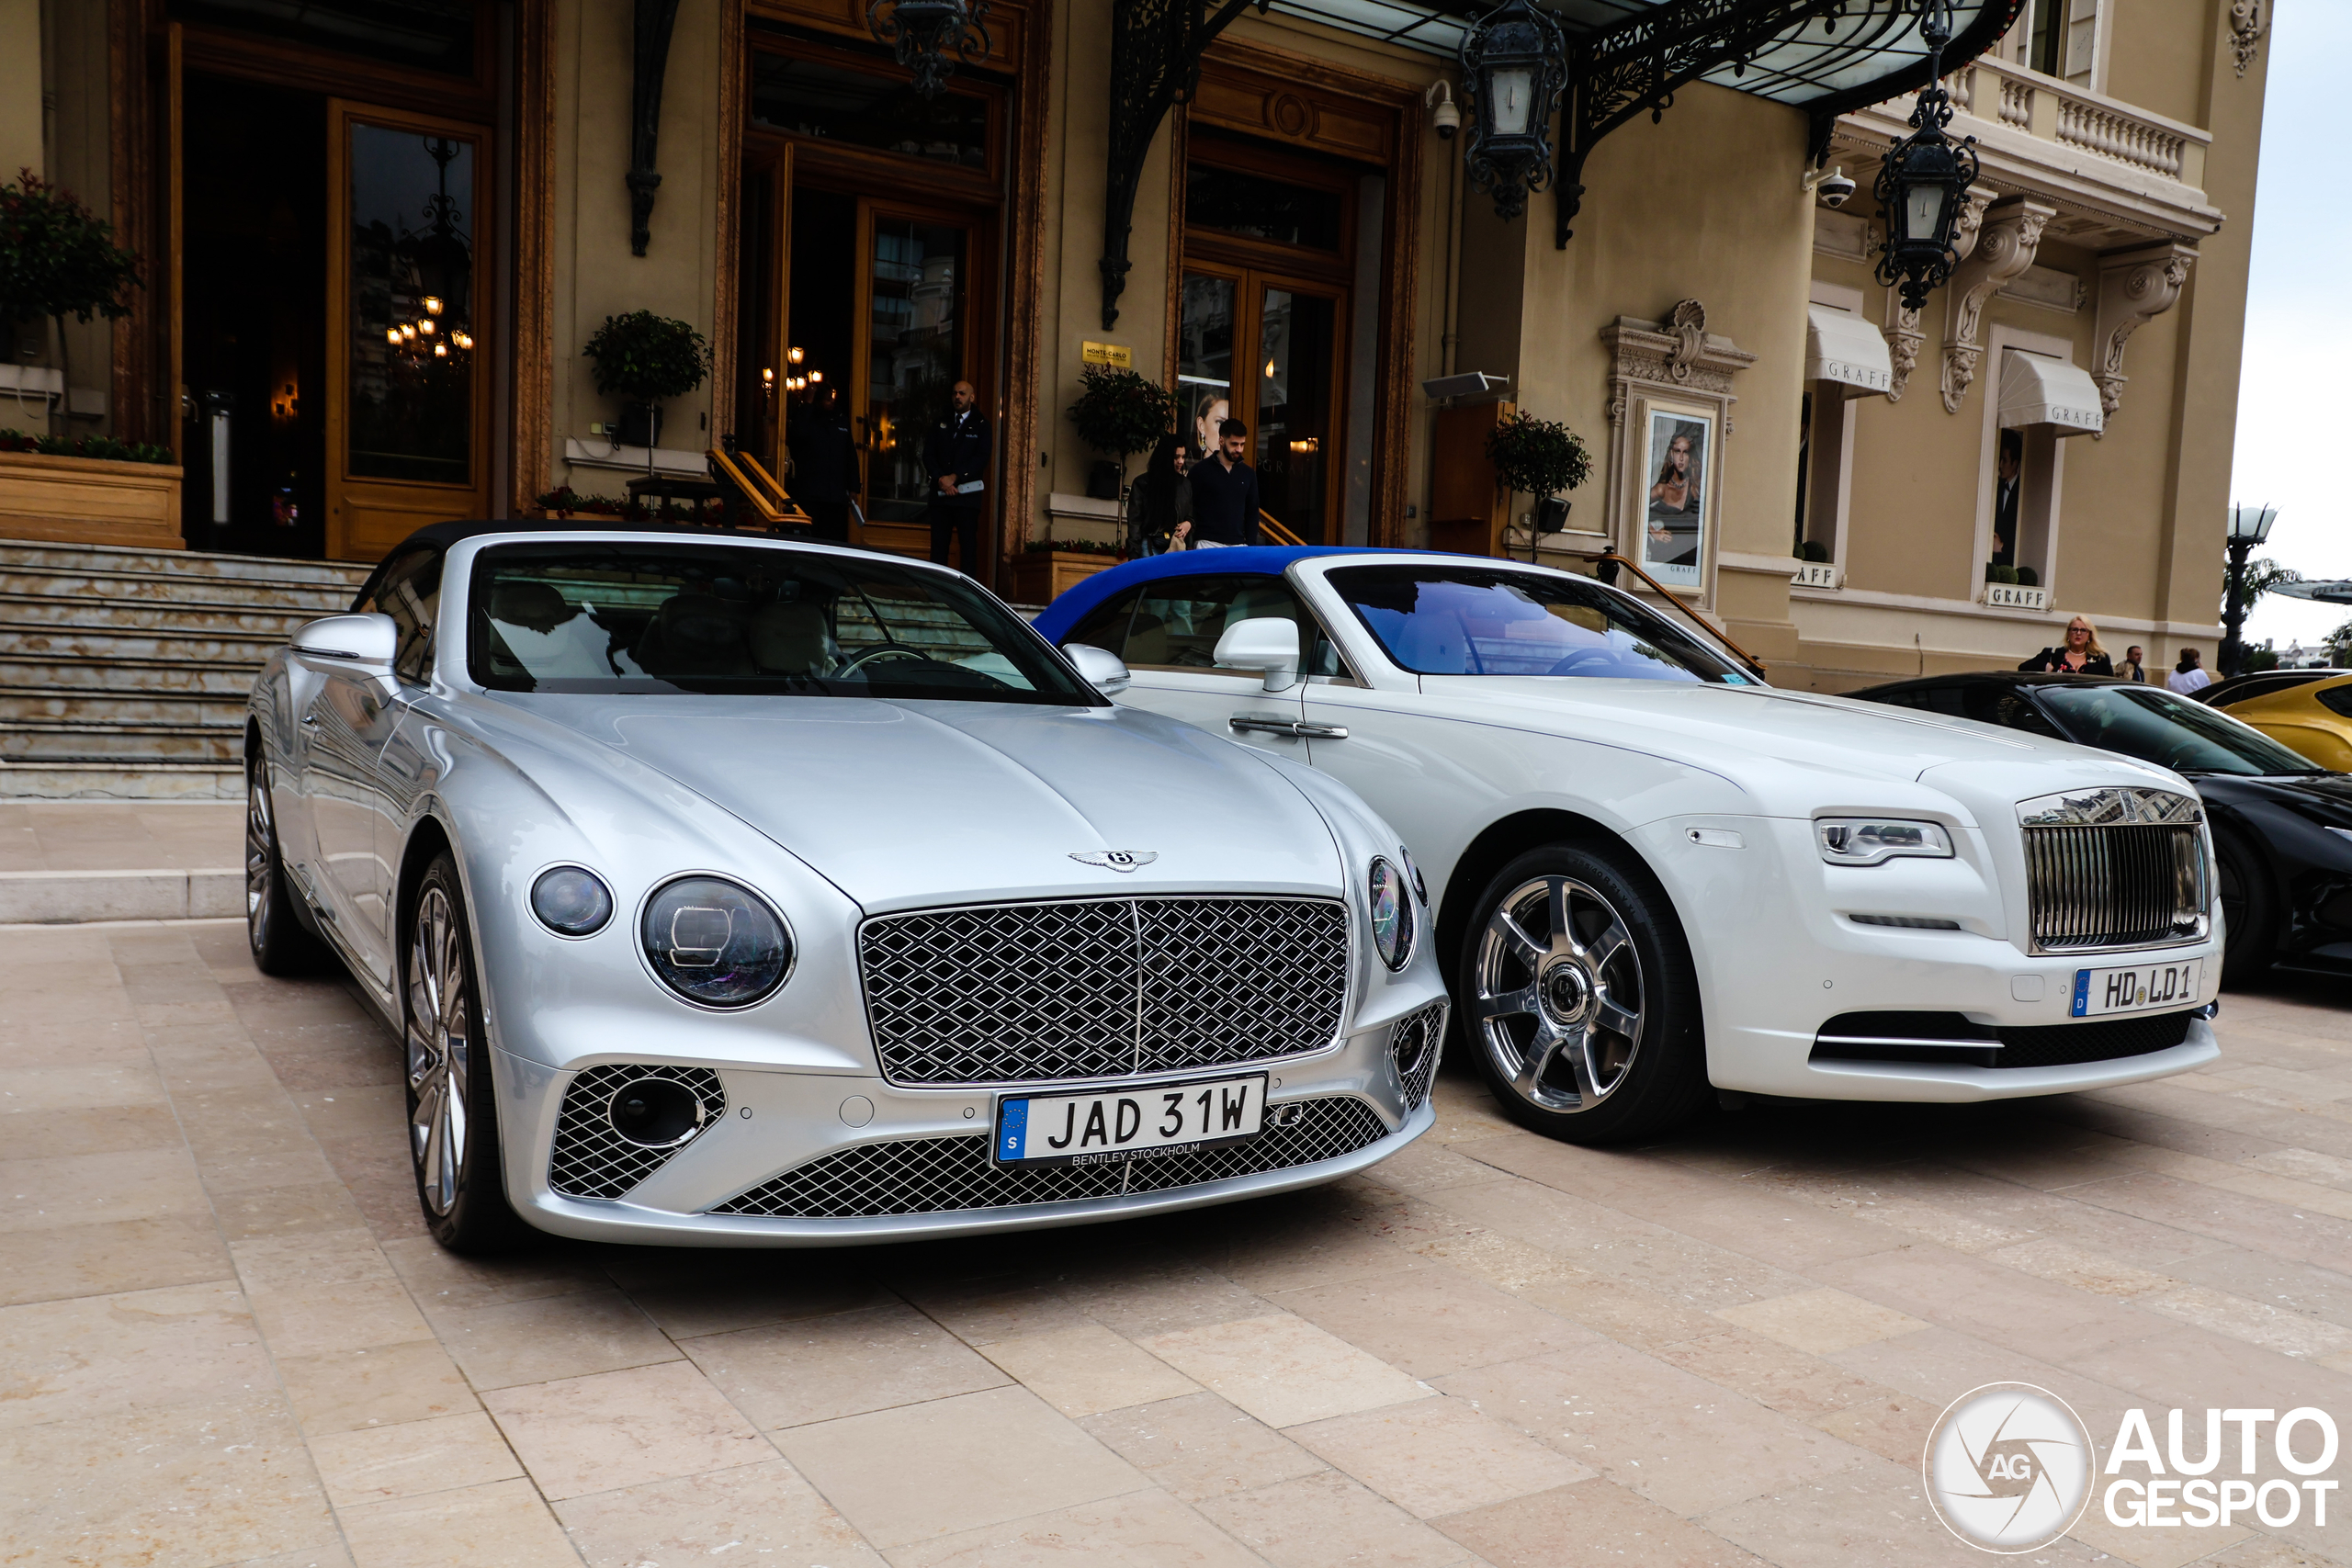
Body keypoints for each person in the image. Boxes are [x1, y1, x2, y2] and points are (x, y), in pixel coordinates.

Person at [924, 380, 990, 570]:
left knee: (968, 548)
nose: (957, 397)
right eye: (954, 393)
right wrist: (941, 479)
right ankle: (936, 593)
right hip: (941, 496)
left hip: (967, 498)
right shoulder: (941, 422)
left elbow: (981, 458)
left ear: (972, 397)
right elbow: (928, 454)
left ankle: (967, 596)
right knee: (938, 548)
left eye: (962, 393)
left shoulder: (982, 425)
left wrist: (955, 477)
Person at [786, 386, 860, 543]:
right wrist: (807, 404)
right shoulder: (807, 418)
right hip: (811, 493)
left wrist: (854, 487)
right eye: (827, 399)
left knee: (832, 539)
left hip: (836, 496)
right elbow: (797, 435)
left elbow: (850, 455)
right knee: (810, 538)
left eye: (832, 397)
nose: (832, 401)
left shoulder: (841, 421)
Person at [1189, 417, 1261, 548]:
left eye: (1242, 444)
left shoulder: (1248, 474)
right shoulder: (1200, 471)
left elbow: (1252, 512)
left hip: (1239, 545)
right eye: (1234, 444)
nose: (1239, 449)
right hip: (1207, 542)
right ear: (1221, 440)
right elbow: (1189, 507)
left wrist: (1251, 545)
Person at [1126, 435, 1193, 556]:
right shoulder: (1142, 483)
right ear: (1165, 457)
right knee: (1150, 574)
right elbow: (1135, 522)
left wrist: (1189, 523)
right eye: (1176, 457)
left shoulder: (1185, 484)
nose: (1181, 461)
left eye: (1183, 457)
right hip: (1150, 542)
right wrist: (1133, 552)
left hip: (1176, 543)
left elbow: (1192, 511)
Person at [1645, 430, 1702, 567]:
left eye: (1686, 452)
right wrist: (1653, 532)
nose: (1681, 458)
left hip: (1691, 557)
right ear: (1671, 454)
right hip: (1665, 557)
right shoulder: (1662, 488)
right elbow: (1635, 505)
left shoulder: (1695, 487)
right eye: (1677, 451)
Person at [2018, 615, 2113, 675]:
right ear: (2068, 633)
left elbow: (2110, 687)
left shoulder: (2101, 659)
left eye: (2083, 630)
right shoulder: (2053, 654)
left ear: (2089, 635)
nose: (2078, 633)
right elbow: (2022, 668)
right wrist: (2045, 666)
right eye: (2074, 630)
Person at [1991, 429, 2022, 568]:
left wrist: (2002, 547)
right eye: (2000, 459)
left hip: (2010, 567)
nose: (2000, 465)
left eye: (2005, 460)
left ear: (2015, 463)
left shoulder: (2023, 492)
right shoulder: (1995, 487)